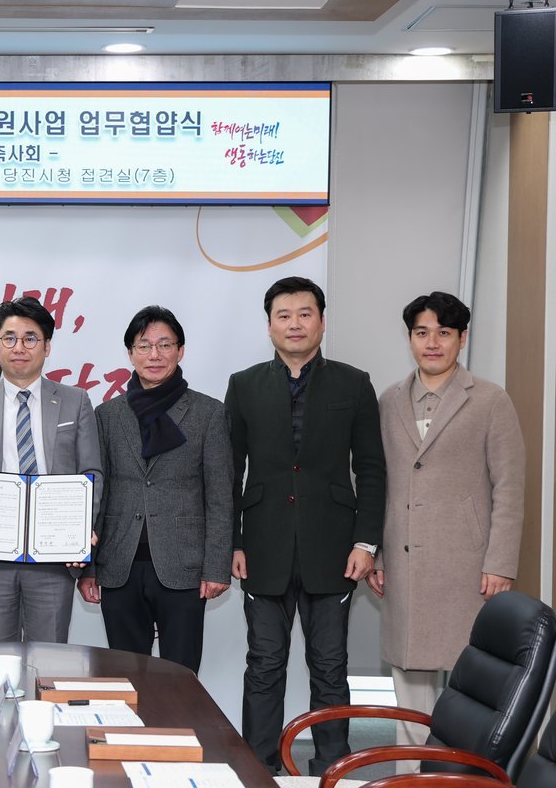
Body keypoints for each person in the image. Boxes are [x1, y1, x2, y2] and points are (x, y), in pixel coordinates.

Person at [225, 276, 385, 776]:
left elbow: (372, 469)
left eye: (304, 313)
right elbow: (229, 471)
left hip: (334, 549)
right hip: (263, 547)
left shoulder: (353, 383)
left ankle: (332, 769)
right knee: (264, 663)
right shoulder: (244, 384)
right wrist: (232, 541)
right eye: (284, 315)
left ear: (321, 320)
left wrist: (366, 542)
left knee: (330, 667)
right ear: (269, 324)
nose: (294, 324)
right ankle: (259, 767)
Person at [368, 291, 524, 762]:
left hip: (468, 566)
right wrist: (377, 553)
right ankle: (412, 774)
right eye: (422, 333)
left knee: (470, 682)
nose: (432, 342)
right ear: (409, 339)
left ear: (462, 338)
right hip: (404, 561)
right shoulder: (388, 400)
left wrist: (501, 562)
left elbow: (509, 486)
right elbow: (376, 483)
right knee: (410, 682)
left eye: (444, 332)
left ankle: (462, 774)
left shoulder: (491, 400)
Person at [76, 306, 232, 673]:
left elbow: (221, 496)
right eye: (144, 346)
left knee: (181, 676)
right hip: (120, 564)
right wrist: (88, 567)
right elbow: (97, 494)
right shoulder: (107, 415)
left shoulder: (208, 413)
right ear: (130, 354)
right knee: (126, 675)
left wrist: (217, 567)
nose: (155, 355)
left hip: (184, 566)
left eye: (165, 345)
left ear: (180, 350)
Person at [0, 296, 102, 642]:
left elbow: (91, 474)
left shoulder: (76, 401)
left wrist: (79, 530)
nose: (19, 347)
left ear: (47, 347)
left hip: (53, 558)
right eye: (9, 338)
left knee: (49, 660)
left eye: (30, 338)